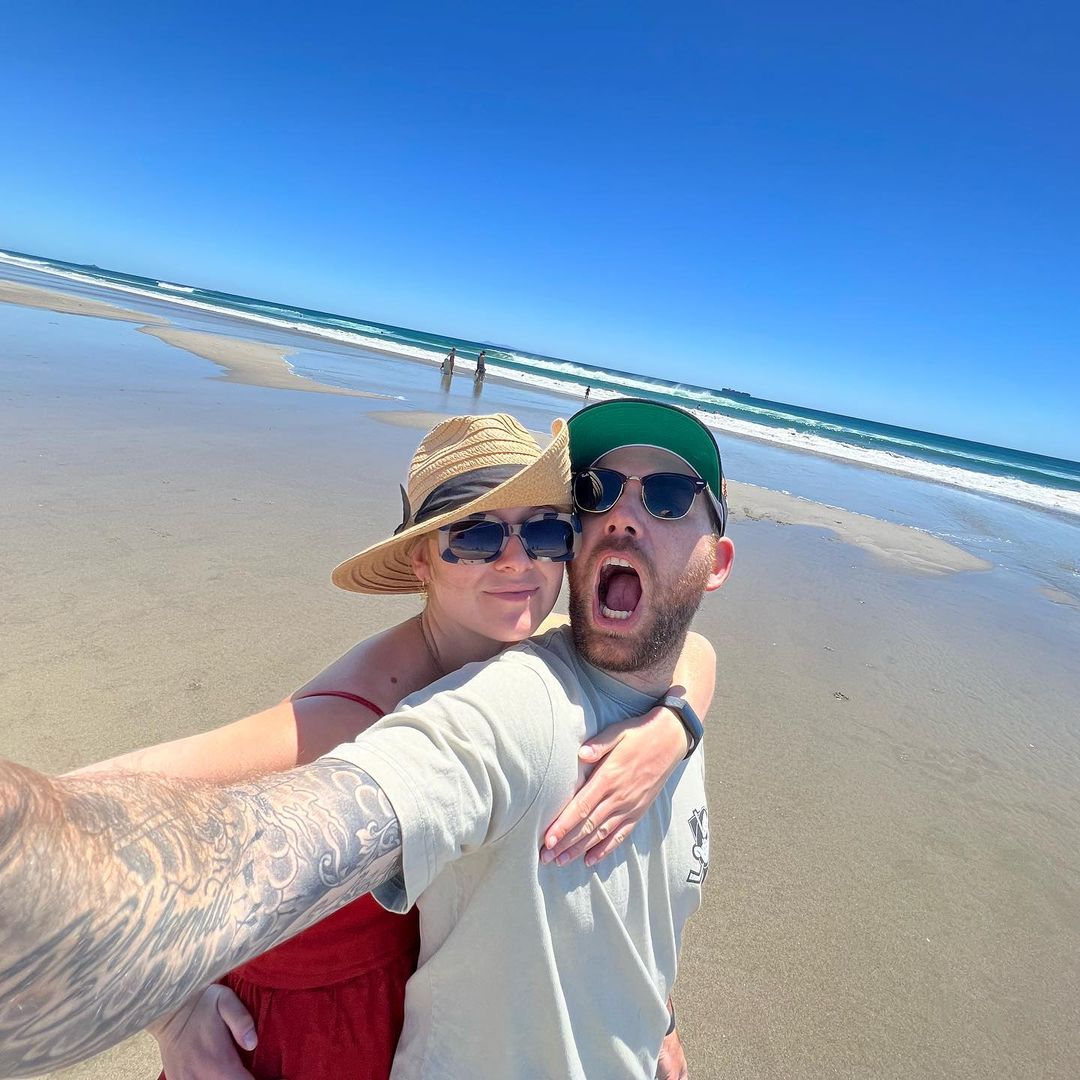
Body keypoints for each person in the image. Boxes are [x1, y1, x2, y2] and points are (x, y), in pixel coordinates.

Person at [0, 398, 733, 1079]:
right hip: (286, 1035)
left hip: (401, 1023)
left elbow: (687, 647)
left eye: (543, 531)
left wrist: (673, 728)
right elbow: (96, 805)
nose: (517, 560)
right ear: (421, 561)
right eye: (476, 535)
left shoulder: (541, 647)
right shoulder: (350, 714)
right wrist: (171, 1010)